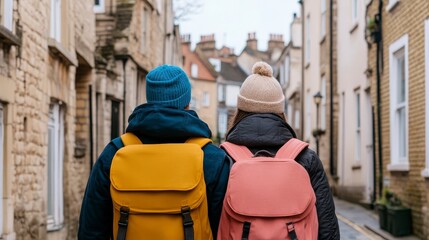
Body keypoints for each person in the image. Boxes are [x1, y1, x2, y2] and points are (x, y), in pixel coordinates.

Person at [78, 65, 230, 239]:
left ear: (150, 99)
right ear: (187, 103)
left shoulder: (114, 153)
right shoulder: (212, 158)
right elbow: (223, 231)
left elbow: (90, 231)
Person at [224, 61, 340, 240]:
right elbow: (328, 230)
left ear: (240, 109)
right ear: (280, 111)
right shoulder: (306, 159)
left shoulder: (224, 159)